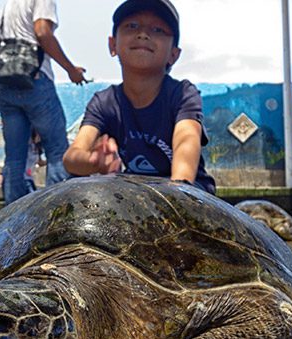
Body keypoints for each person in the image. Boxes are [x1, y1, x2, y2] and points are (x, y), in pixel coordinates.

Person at [63, 0, 215, 195]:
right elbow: (71, 157)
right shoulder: (105, 102)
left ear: (174, 55)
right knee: (74, 182)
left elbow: (186, 143)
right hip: (135, 193)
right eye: (132, 26)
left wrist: (176, 194)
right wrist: (92, 162)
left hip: (187, 193)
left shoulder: (182, 94)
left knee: (188, 193)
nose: (143, 34)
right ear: (112, 45)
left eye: (158, 30)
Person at [0, 0, 88, 204]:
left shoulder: (8, 5)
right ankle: (57, 214)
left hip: (6, 82)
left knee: (14, 157)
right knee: (56, 151)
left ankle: (14, 220)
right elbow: (43, 32)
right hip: (35, 79)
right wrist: (70, 69)